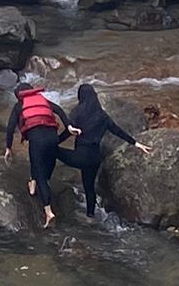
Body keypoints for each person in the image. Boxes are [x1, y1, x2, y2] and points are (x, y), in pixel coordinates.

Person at [53, 85, 152, 217]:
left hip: (80, 156)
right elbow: (117, 131)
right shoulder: (102, 115)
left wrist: (54, 142)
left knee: (51, 150)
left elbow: (67, 133)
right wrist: (136, 143)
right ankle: (91, 215)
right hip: (95, 158)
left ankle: (38, 179)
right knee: (89, 188)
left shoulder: (77, 112)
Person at [3, 84, 74, 228]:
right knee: (47, 165)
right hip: (53, 137)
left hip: (37, 139)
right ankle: (33, 182)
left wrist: (8, 147)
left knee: (39, 169)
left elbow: (10, 128)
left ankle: (48, 211)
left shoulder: (19, 106)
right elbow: (59, 110)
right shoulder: (43, 100)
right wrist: (69, 126)